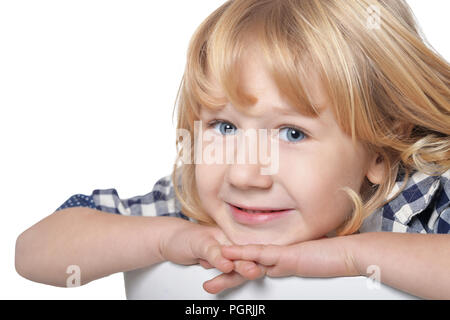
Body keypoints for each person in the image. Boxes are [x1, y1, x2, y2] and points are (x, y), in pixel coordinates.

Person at [15, 0, 449, 299]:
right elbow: (33, 252)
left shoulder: (421, 199)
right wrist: (168, 240)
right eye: (224, 126)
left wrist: (348, 257)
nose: (244, 175)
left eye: (292, 134)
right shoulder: (196, 211)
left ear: (378, 151)